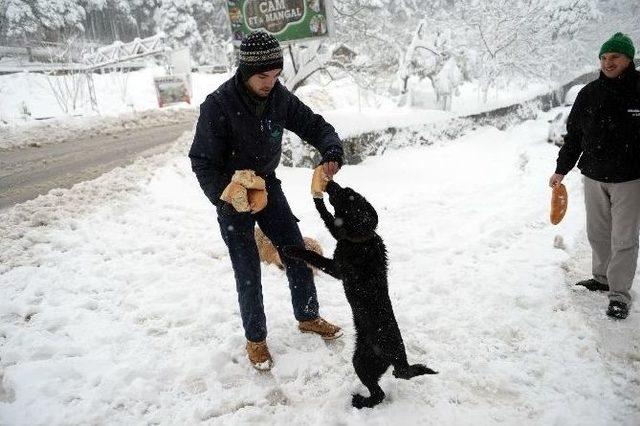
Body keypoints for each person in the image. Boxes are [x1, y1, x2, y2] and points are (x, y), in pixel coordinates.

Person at [189, 31, 344, 370]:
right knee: (247, 270)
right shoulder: (218, 105)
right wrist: (226, 193)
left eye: (276, 76)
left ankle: (308, 316)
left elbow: (313, 124)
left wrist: (331, 147)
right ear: (246, 72)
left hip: (268, 187)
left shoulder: (278, 98)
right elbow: (201, 161)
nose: (270, 83)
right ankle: (256, 339)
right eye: (263, 76)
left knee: (296, 251)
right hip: (233, 196)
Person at [549, 32, 640, 320]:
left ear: (629, 59)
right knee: (598, 233)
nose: (608, 62)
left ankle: (619, 295)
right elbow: (573, 136)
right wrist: (561, 169)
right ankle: (601, 279)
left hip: (630, 179)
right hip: (594, 176)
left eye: (614, 57)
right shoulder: (589, 94)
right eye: (603, 57)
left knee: (623, 238)